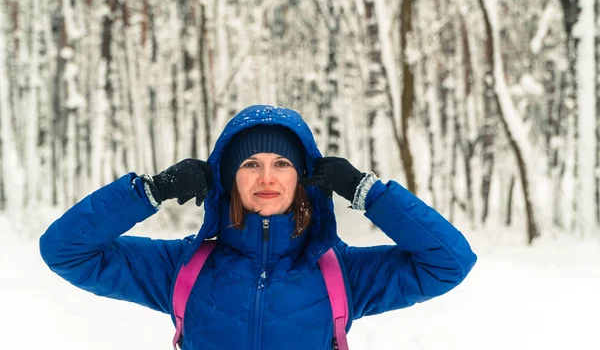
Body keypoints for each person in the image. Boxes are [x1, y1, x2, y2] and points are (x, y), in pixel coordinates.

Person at [40, 104, 477, 350]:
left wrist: (369, 193)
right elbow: (65, 249)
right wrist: (150, 191)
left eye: (282, 164)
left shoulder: (341, 274)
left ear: (301, 180)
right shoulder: (183, 268)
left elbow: (450, 261)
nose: (267, 178)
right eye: (250, 164)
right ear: (230, 179)